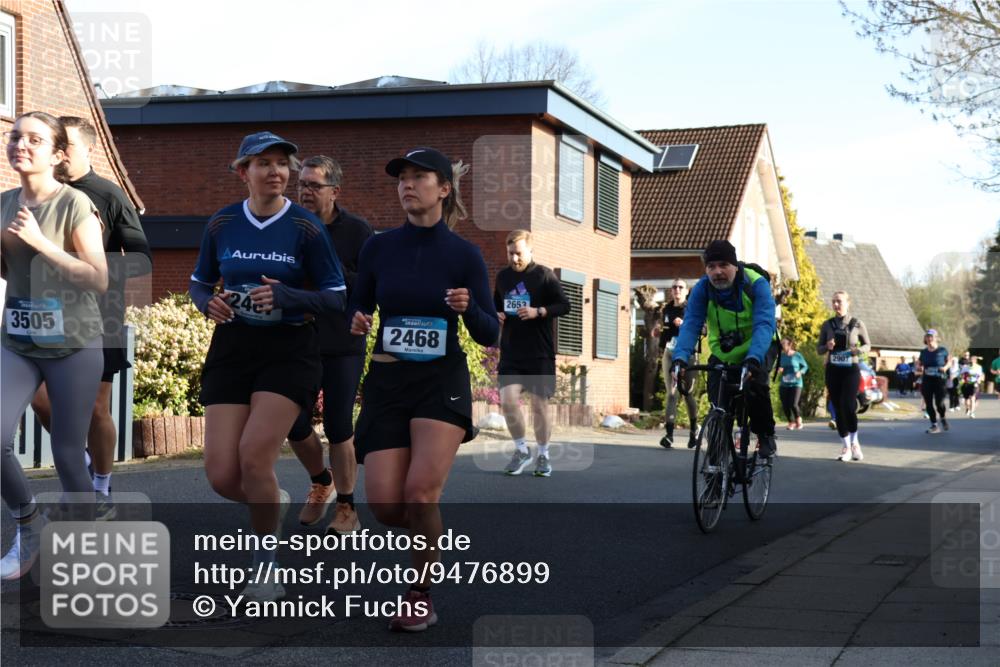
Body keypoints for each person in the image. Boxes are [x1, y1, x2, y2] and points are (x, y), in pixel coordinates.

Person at [189, 132, 346, 602]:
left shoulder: (306, 228)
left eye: (282, 163)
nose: (276, 171)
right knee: (221, 474)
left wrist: (287, 294)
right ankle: (270, 499)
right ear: (244, 172)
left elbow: (337, 297)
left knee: (255, 453)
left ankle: (265, 565)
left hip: (289, 348)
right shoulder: (221, 223)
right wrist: (207, 304)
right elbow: (199, 281)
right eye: (264, 163)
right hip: (233, 347)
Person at [349, 147, 498, 632]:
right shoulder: (378, 247)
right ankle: (427, 541)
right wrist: (355, 318)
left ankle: (419, 594)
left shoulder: (463, 254)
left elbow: (488, 332)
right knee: (388, 505)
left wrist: (467, 306)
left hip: (440, 381)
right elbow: (359, 304)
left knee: (419, 492)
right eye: (402, 178)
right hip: (389, 381)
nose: (408, 185)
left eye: (419, 177)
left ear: (444, 188)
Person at [28, 116, 152, 520]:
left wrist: (92, 267)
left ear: (88, 150)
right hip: (47, 314)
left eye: (69, 147)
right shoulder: (44, 193)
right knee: (41, 399)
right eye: (56, 145)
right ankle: (80, 471)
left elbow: (140, 259)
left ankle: (100, 490)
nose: (60, 155)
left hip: (100, 316)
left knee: (95, 408)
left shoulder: (109, 195)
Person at [1, 111, 108, 579]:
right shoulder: (3, 203)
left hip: (74, 344)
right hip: (19, 340)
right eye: (15, 136)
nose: (21, 144)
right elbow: (9, 271)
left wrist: (43, 243)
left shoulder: (75, 205)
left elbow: (98, 278)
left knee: (67, 454)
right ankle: (28, 524)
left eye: (34, 139)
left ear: (58, 154)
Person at [284, 156, 373, 534]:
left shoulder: (358, 231)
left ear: (335, 191)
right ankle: (322, 479)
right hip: (295, 339)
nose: (304, 191)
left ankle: (348, 507)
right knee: (293, 421)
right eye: (301, 184)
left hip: (342, 341)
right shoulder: (286, 225)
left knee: (339, 426)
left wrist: (329, 265)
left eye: (314, 185)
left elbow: (370, 285)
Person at [670, 240, 778, 459]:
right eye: (711, 267)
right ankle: (715, 468)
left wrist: (754, 357)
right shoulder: (702, 289)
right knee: (718, 407)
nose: (717, 271)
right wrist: (680, 357)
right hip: (724, 352)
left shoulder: (755, 284)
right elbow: (690, 324)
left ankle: (765, 434)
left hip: (759, 346)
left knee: (755, 386)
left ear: (735, 265)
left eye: (723, 265)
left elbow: (765, 324)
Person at [495, 229, 571, 476]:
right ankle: (521, 450)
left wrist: (538, 311)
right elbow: (495, 305)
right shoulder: (503, 277)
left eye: (518, 253)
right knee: (507, 402)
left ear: (530, 251)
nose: (514, 259)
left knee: (539, 407)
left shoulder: (544, 275)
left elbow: (564, 305)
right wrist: (496, 313)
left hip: (539, 352)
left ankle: (543, 455)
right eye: (510, 254)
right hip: (511, 351)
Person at [817, 291, 871, 462]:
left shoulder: (857, 324)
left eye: (839, 301)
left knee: (848, 406)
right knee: (838, 408)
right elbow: (819, 349)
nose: (836, 305)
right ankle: (846, 446)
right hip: (833, 370)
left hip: (850, 370)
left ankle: (855, 442)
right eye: (833, 302)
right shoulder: (827, 325)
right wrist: (827, 345)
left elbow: (868, 345)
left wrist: (858, 350)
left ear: (848, 303)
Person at [655, 279, 699, 449]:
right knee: (671, 394)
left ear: (686, 291)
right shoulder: (667, 308)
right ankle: (669, 435)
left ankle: (694, 431)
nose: (677, 290)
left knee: (687, 393)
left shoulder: (692, 308)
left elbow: (701, 329)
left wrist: (685, 324)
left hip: (688, 354)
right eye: (674, 287)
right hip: (670, 353)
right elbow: (666, 331)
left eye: (680, 287)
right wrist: (659, 332)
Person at [916, 329, 950, 434]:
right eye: (927, 336)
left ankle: (943, 417)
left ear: (936, 338)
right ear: (925, 339)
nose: (929, 338)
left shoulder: (943, 350)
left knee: (939, 403)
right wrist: (919, 367)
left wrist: (945, 367)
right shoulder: (923, 352)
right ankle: (934, 424)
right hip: (927, 379)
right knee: (928, 403)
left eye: (931, 336)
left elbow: (949, 361)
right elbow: (919, 363)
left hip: (940, 379)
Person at [778, 337, 809, 430]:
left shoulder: (797, 355)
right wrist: (780, 369)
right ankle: (791, 422)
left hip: (796, 383)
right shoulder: (781, 356)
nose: (782, 345)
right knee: (785, 404)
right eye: (781, 344)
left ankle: (798, 419)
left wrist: (800, 372)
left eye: (784, 343)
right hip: (784, 383)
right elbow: (778, 367)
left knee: (793, 404)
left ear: (790, 344)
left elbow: (805, 366)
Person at [959, 353, 983, 418]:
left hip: (974, 384)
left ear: (975, 361)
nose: (972, 361)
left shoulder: (979, 367)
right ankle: (967, 408)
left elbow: (980, 375)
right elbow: (961, 375)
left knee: (973, 398)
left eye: (973, 360)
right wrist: (963, 379)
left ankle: (972, 412)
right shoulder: (965, 367)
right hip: (966, 384)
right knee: (967, 400)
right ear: (969, 360)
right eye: (971, 360)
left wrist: (978, 380)